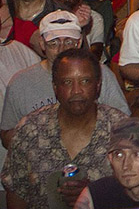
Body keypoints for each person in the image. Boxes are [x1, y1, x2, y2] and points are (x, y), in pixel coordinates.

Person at [1, 50, 124, 209]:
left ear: (98, 86)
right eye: (67, 82)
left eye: (85, 81)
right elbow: (16, 191)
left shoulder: (119, 128)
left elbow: (134, 193)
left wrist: (95, 194)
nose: (76, 91)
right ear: (55, 87)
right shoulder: (31, 129)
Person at [1, 11, 129, 149]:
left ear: (79, 42)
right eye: (54, 43)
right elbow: (7, 136)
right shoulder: (21, 82)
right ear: (42, 44)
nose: (62, 49)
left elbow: (124, 126)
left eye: (68, 41)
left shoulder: (102, 73)